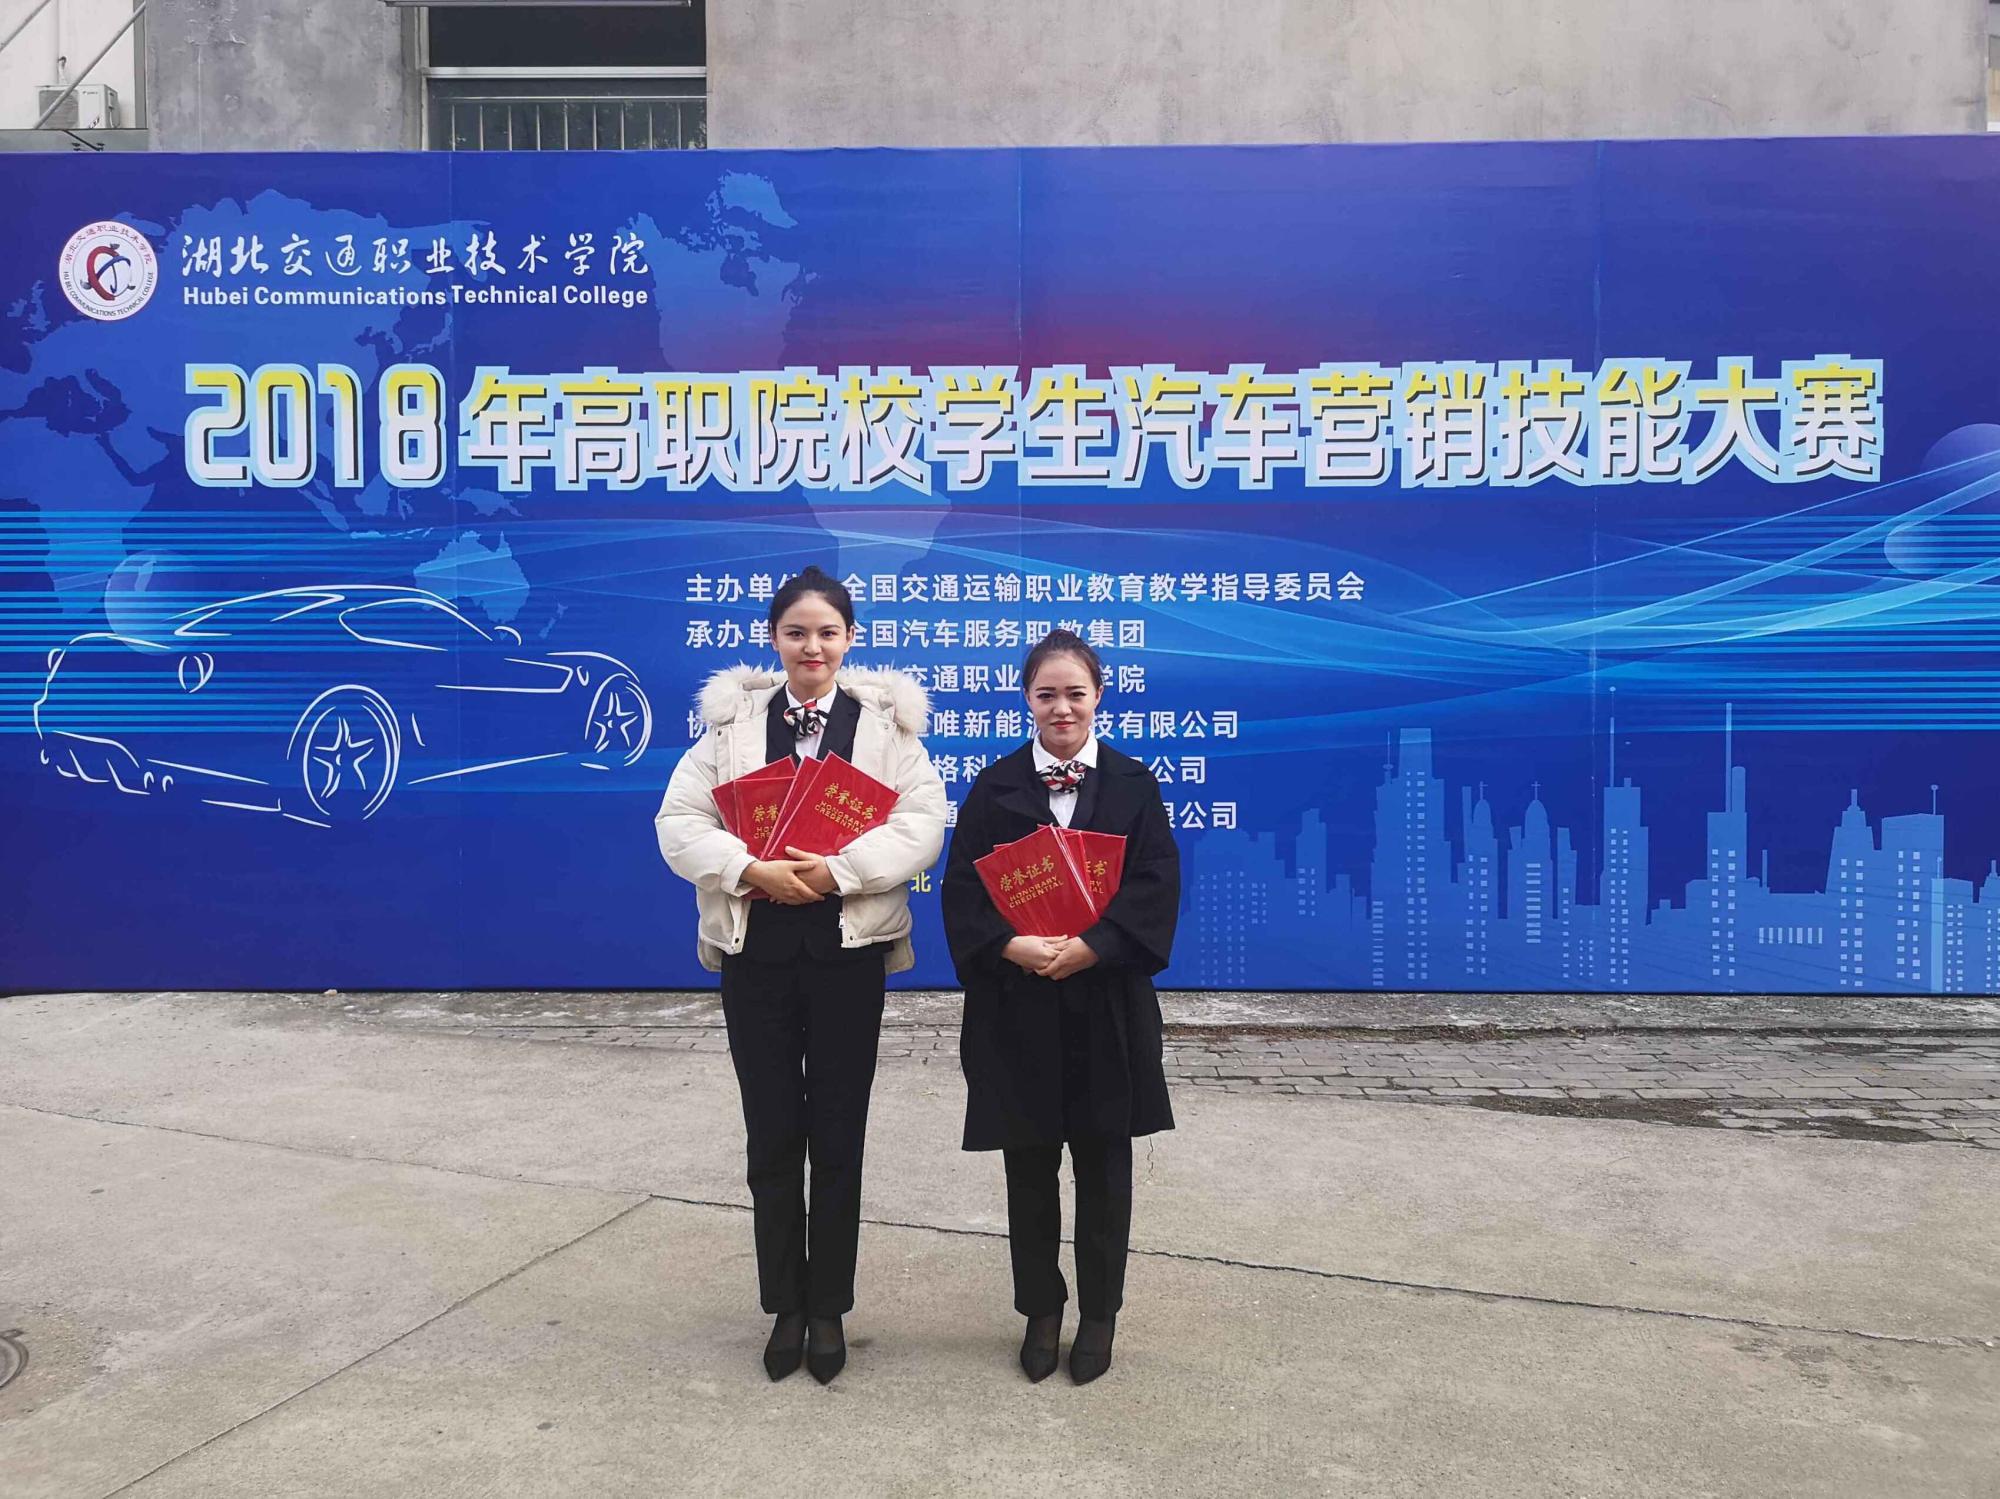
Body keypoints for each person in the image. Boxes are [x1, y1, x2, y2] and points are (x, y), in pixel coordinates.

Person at [655, 566, 946, 1385]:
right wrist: (750, 868)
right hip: (757, 954)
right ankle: (785, 1301)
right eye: (796, 632)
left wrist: (836, 871)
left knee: (839, 1134)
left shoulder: (885, 729)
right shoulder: (732, 727)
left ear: (850, 638)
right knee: (773, 1132)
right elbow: (678, 820)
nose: (812, 646)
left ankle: (829, 1307)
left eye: (827, 632)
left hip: (847, 954)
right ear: (773, 639)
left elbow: (923, 820)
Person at [940, 629, 1180, 1385]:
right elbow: (963, 891)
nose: (1062, 707)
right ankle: (1040, 1309)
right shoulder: (994, 786)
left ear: (1099, 694)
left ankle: (1099, 1314)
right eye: (1047, 694)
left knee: (1105, 1168)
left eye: (1076, 692)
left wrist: (1095, 946)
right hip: (1019, 1007)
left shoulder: (1134, 784)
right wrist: (1010, 945)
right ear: (1027, 699)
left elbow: (1156, 886)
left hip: (1106, 1004)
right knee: (1030, 1168)